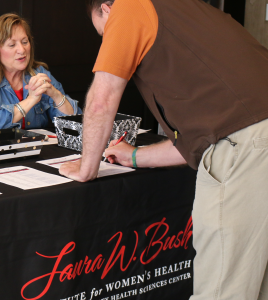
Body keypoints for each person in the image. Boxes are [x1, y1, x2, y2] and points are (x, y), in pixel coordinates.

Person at [59, 0, 268, 299]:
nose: (111, 43)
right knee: (255, 285)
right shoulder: (185, 13)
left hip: (243, 146)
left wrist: (86, 167)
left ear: (106, 10)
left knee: (222, 290)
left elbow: (102, 99)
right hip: (253, 142)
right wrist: (133, 156)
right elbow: (200, 143)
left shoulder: (128, 8)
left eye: (105, 35)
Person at [0, 13, 81, 130]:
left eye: (25, 42)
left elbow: (74, 124)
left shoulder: (39, 73)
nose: (22, 49)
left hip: (37, 148)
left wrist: (56, 95)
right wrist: (30, 100)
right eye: (12, 45)